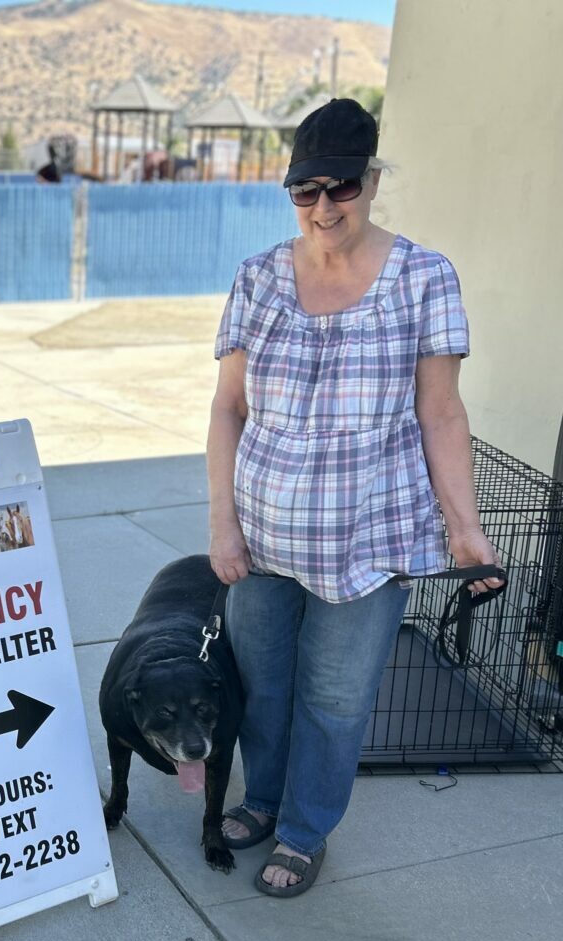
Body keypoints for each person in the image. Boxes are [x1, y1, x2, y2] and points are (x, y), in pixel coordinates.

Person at [206, 98, 503, 897]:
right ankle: (261, 800)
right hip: (262, 540)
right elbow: (228, 409)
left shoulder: (422, 278)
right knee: (262, 687)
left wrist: (465, 528)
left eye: (342, 187)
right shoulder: (258, 279)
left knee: (335, 704)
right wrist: (223, 524)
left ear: (372, 181)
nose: (325, 208)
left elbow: (441, 412)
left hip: (369, 541)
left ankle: (304, 832)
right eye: (306, 191)